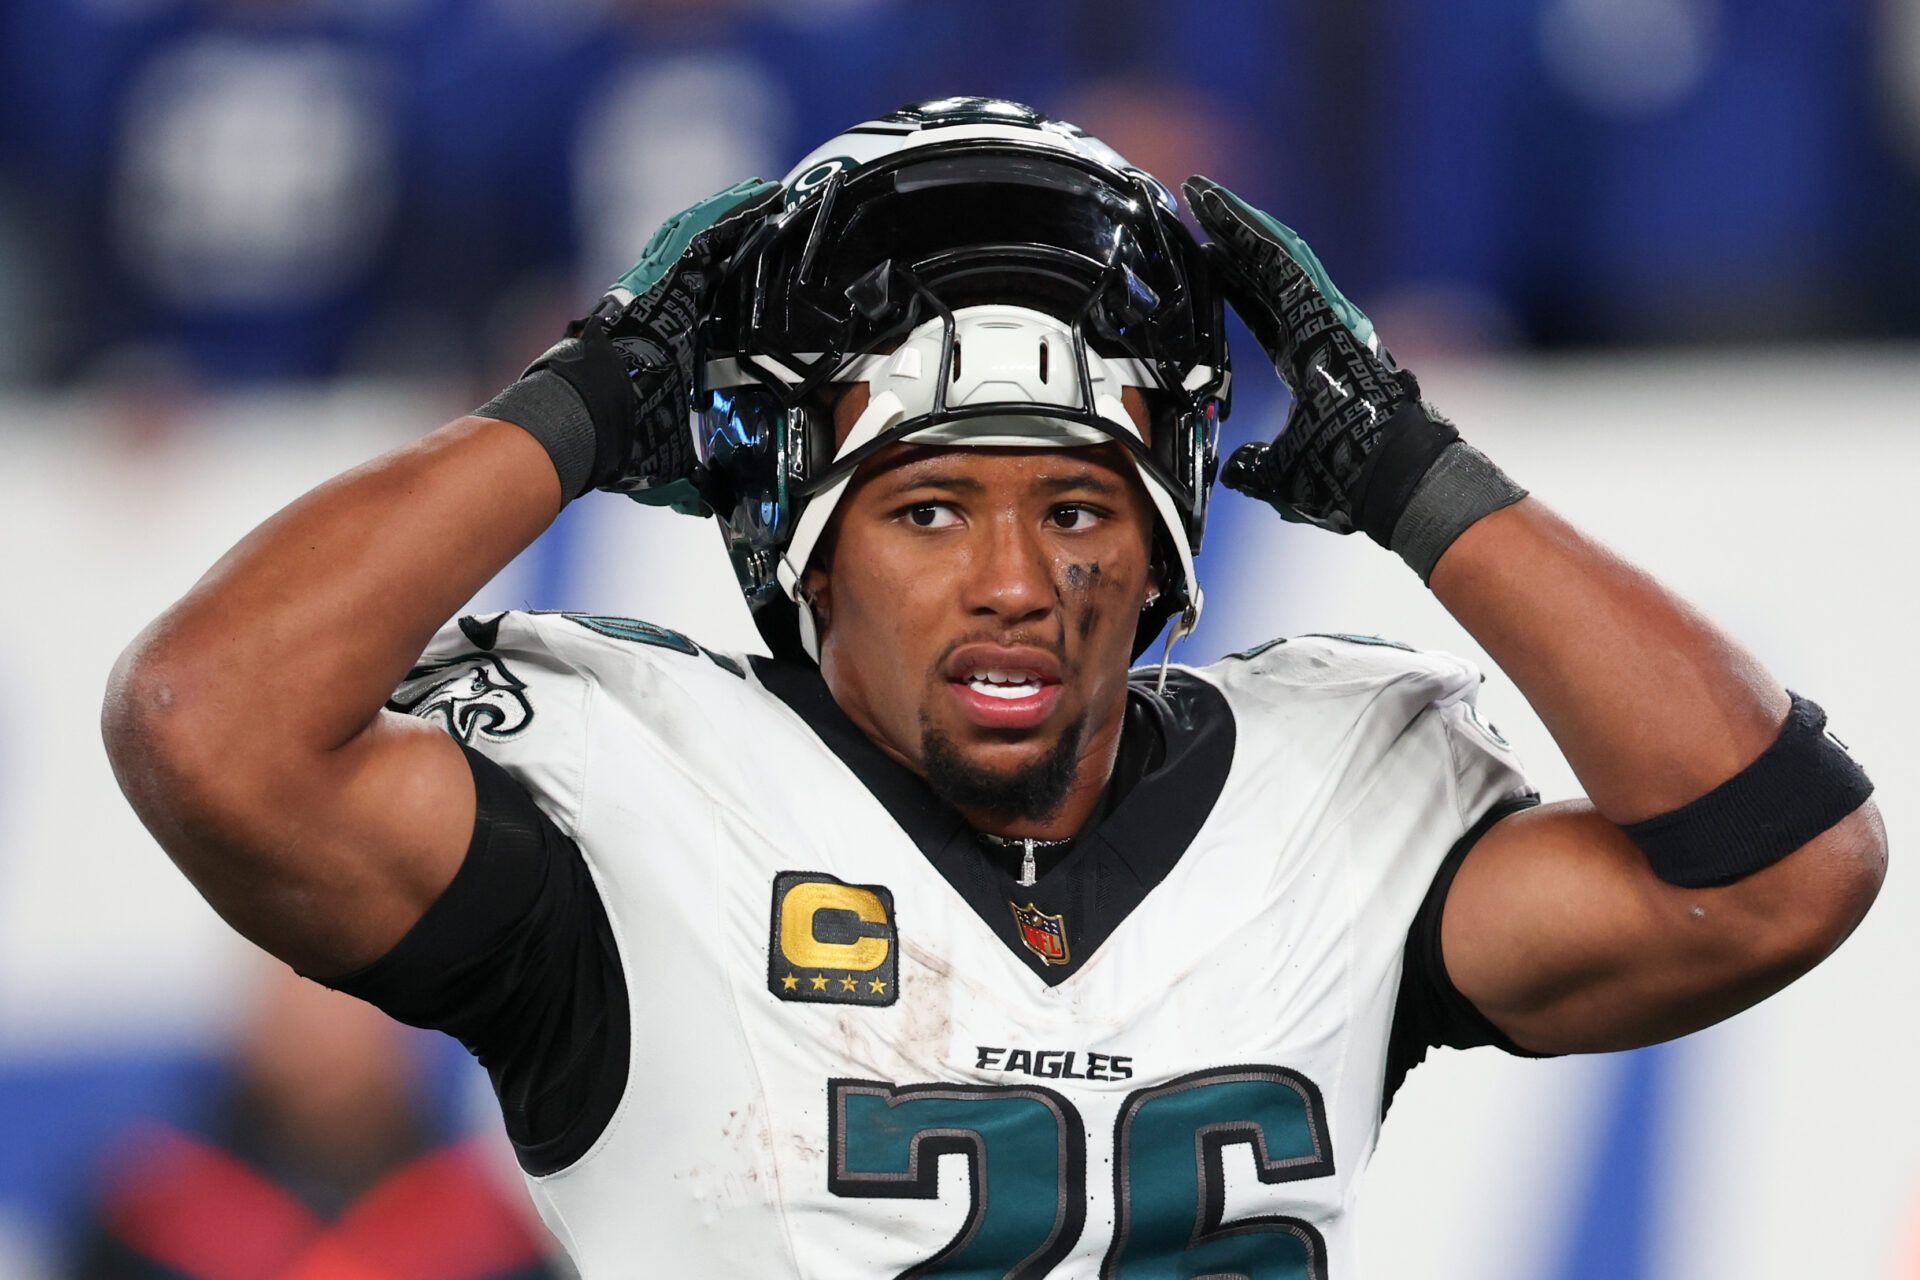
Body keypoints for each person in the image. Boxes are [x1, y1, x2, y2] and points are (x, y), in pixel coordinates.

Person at [102, 98, 1885, 1277]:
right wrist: (580, 404)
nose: (1021, 582)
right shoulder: (642, 798)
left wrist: (1419, 479)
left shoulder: (1332, 786)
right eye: (933, 509)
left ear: (1171, 531)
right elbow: (208, 719)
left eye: (1081, 505)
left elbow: (1781, 865)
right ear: (797, 528)